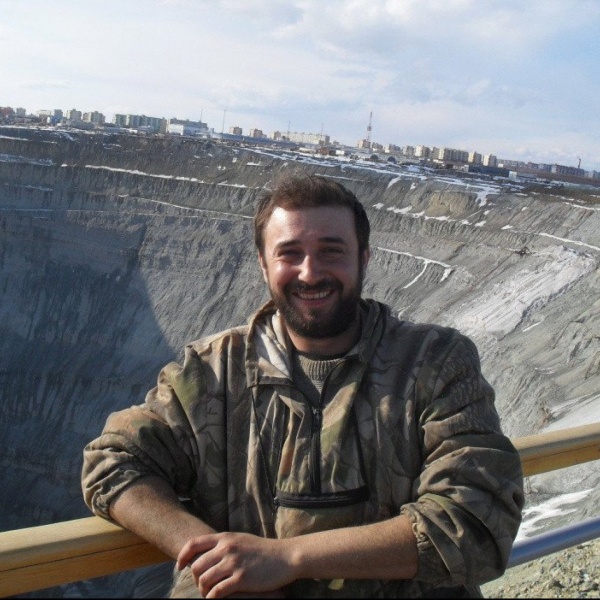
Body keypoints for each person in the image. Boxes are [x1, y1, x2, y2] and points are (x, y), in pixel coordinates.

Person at [82, 172, 524, 598]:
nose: (310, 273)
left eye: (331, 251)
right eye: (289, 253)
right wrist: (219, 562)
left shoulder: (435, 363)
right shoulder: (210, 371)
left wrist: (288, 559)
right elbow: (113, 462)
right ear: (263, 264)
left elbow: (477, 520)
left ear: (364, 257)